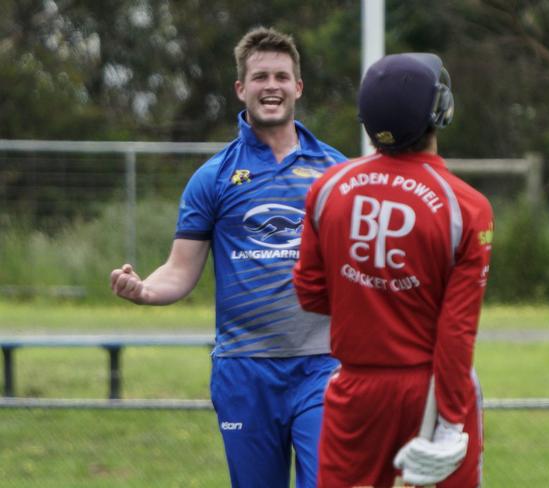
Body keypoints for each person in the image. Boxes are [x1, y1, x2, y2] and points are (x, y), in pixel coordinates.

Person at [110, 26, 346, 488]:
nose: (271, 86)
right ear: (241, 88)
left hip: (323, 366)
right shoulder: (213, 177)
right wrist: (145, 290)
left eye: (281, 76)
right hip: (244, 370)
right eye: (260, 77)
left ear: (298, 86)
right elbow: (179, 269)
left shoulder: (335, 172)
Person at [293, 52, 493, 487]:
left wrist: (367, 300)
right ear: (439, 112)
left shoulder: (326, 189)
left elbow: (310, 292)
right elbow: (455, 332)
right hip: (432, 393)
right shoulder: (467, 208)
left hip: (353, 391)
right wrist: (451, 422)